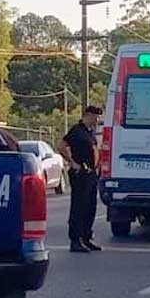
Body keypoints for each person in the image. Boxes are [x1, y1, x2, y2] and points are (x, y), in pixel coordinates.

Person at [59, 105, 103, 253]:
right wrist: (72, 162)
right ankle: (75, 240)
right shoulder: (77, 131)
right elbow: (61, 146)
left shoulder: (90, 132)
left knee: (90, 207)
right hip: (80, 173)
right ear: (88, 115)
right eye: (95, 117)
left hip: (91, 173)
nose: (97, 120)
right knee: (79, 207)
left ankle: (86, 237)